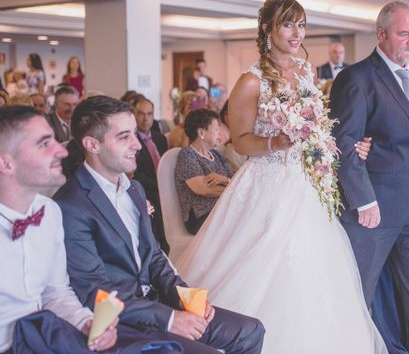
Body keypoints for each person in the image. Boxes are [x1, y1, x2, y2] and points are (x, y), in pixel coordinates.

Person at [176, 0, 386, 353]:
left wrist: (342, 147)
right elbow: (241, 142)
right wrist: (279, 141)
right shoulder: (250, 81)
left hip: (305, 183)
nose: (296, 32)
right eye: (288, 23)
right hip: (268, 181)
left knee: (316, 271)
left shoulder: (306, 73)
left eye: (301, 24)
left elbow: (319, 126)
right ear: (267, 28)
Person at [54, 96, 265, 353]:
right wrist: (169, 319)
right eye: (124, 137)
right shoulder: (71, 206)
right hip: (120, 322)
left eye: (135, 134)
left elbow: (154, 255)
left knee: (250, 331)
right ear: (92, 144)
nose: (137, 145)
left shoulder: (135, 189)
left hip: (157, 303)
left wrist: (185, 298)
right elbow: (95, 292)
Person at [0, 106, 210, 354]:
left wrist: (86, 322)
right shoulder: (69, 206)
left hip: (48, 335)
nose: (61, 150)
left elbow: (55, 293)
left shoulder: (49, 212)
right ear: (6, 162)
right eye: (44, 144)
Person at [330, 0, 409, 353]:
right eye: (404, 33)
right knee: (359, 294)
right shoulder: (356, 78)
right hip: (372, 212)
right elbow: (343, 144)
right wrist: (363, 199)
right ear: (381, 34)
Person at [175, 109, 232, 235]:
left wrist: (225, 180)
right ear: (201, 132)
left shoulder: (217, 155)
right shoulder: (187, 154)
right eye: (216, 129)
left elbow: (234, 180)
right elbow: (204, 190)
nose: (220, 133)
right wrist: (233, 189)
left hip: (221, 211)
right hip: (200, 218)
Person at [132, 96, 170, 253]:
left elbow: (166, 167)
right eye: (141, 113)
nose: (145, 118)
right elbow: (136, 173)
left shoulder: (160, 138)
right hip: (146, 188)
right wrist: (161, 186)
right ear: (133, 114)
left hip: (163, 187)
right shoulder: (131, 140)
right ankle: (160, 248)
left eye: (149, 114)